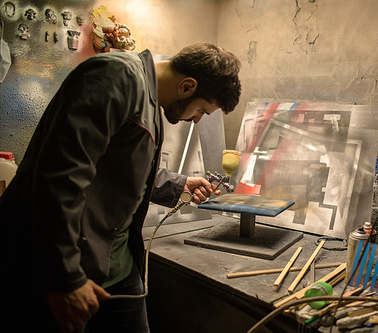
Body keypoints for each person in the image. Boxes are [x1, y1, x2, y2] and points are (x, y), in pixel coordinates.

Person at [0, 43, 241, 333]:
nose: (197, 119)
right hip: (67, 264)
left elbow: (119, 165)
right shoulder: (117, 76)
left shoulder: (150, 100)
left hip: (116, 263)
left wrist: (179, 185)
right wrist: (65, 278)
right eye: (202, 110)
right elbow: (61, 176)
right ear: (187, 86)